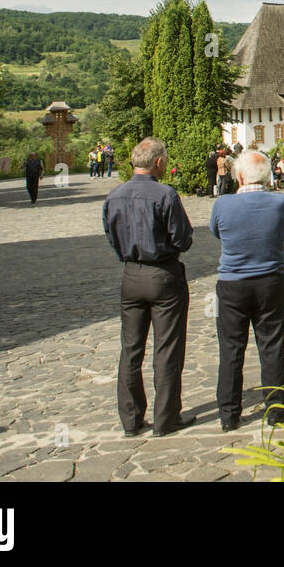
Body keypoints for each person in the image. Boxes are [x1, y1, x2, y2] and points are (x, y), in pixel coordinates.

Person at [102, 138, 195, 438]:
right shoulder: (165, 195)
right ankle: (166, 418)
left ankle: (131, 419)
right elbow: (182, 239)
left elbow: (112, 237)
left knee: (130, 349)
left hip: (131, 274)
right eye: (165, 160)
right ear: (158, 163)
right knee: (167, 349)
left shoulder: (114, 196)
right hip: (163, 275)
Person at [210, 150, 284, 431]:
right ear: (269, 176)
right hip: (269, 279)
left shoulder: (223, 205)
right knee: (271, 344)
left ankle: (229, 414)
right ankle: (277, 408)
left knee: (231, 348)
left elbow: (216, 232)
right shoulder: (280, 203)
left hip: (233, 281)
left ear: (240, 176)